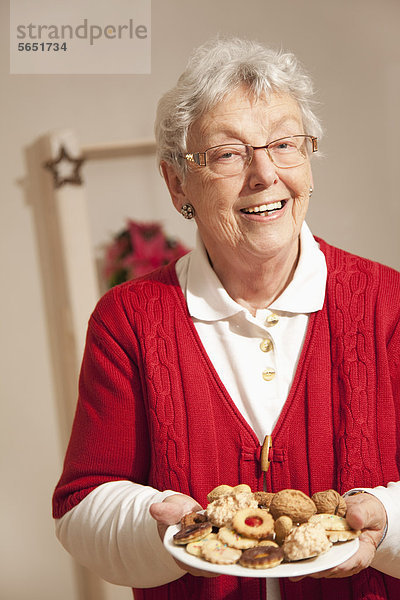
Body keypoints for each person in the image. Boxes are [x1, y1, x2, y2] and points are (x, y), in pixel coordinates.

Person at [52, 38, 400, 600]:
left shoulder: (391, 305)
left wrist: (387, 522)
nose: (265, 173)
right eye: (228, 153)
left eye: (285, 144)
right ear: (176, 183)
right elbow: (80, 506)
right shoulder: (129, 321)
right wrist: (157, 522)